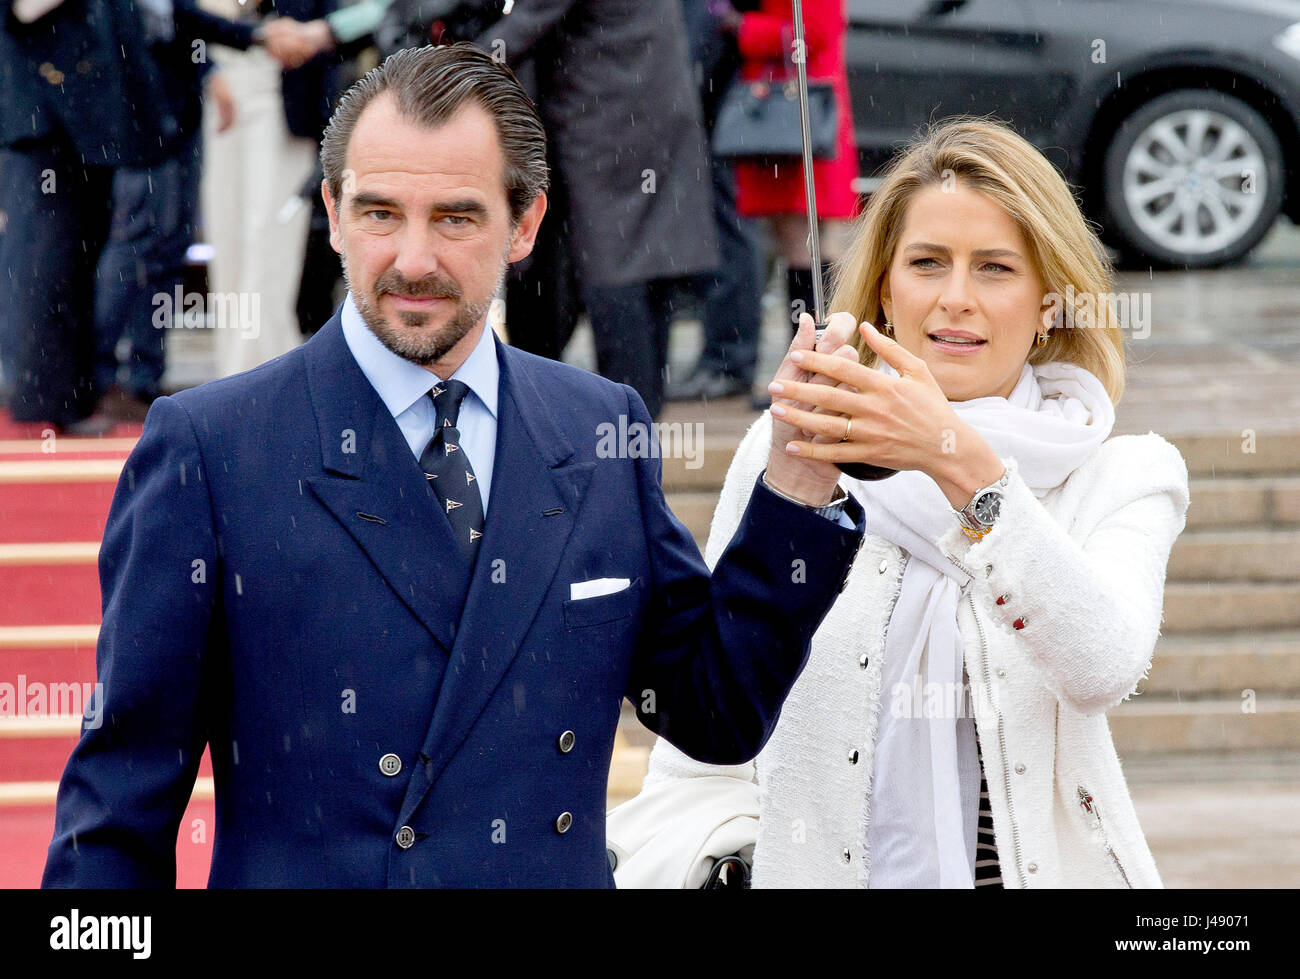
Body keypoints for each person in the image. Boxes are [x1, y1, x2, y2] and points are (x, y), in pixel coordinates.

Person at [42, 44, 867, 889]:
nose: (412, 260)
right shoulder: (211, 447)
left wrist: (797, 487)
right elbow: (117, 809)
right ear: (332, 211)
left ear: (526, 225)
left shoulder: (600, 428)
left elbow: (715, 710)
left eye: (456, 217)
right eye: (380, 213)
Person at [607, 117, 1191, 888]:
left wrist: (957, 462)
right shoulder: (796, 446)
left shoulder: (1125, 473)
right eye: (927, 263)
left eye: (994, 268)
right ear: (887, 285)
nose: (956, 299)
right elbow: (711, 709)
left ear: (1052, 301)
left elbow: (1103, 664)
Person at [0, 0, 326, 432]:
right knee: (49, 259)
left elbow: (169, 12)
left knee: (83, 255)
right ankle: (48, 398)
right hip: (47, 122)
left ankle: (74, 396)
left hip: (103, 127)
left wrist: (254, 36)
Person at [714, 0, 860, 331]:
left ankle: (815, 351)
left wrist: (743, 27)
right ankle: (816, 351)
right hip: (790, 109)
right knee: (801, 242)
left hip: (796, 112)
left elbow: (812, 34)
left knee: (804, 242)